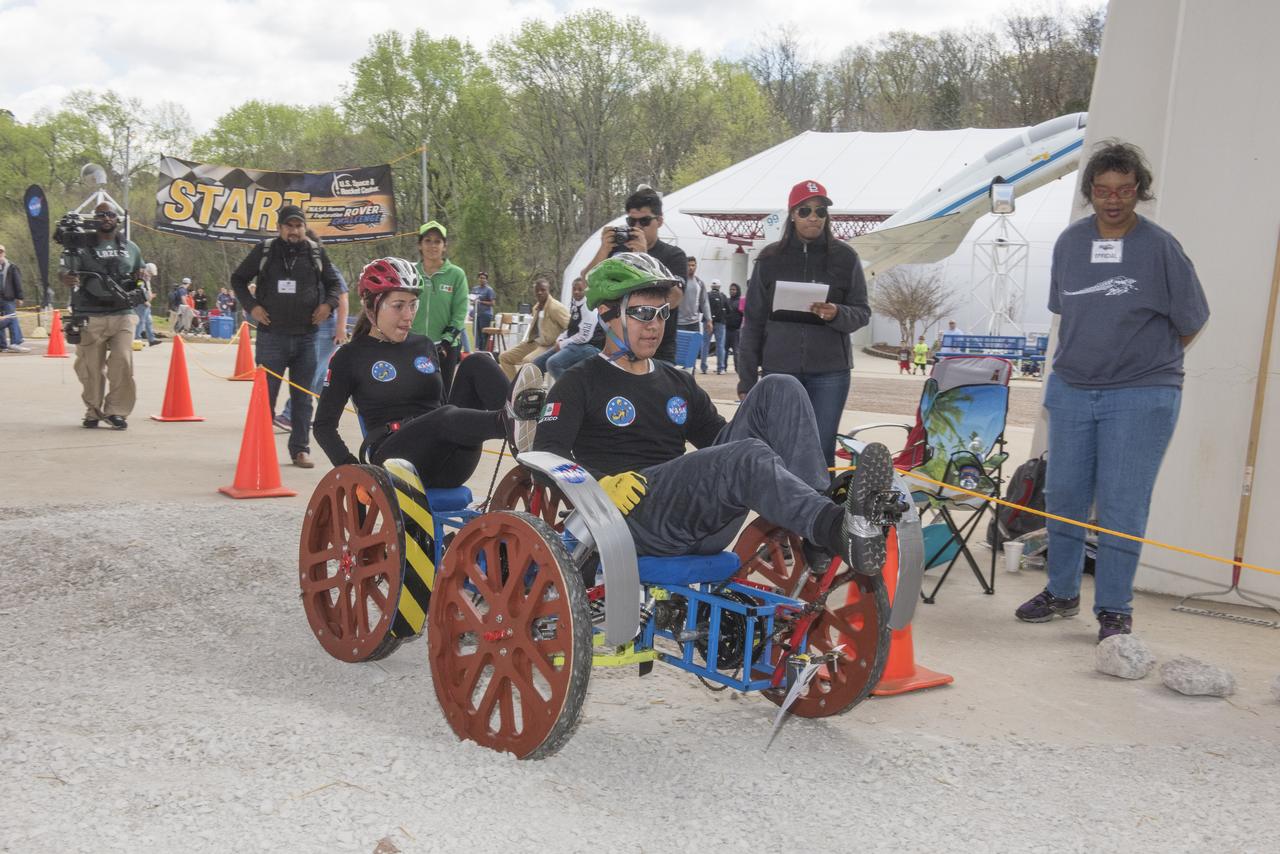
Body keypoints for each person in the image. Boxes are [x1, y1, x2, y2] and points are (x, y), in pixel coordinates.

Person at [533, 251, 895, 575]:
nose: (655, 325)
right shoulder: (579, 381)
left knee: (780, 386)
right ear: (607, 313)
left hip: (692, 512)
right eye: (642, 313)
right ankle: (833, 528)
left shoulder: (676, 381)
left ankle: (819, 522)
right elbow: (546, 457)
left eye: (661, 313)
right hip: (630, 520)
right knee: (747, 455)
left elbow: (720, 445)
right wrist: (597, 484)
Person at [1016, 141, 1209, 642]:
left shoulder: (1161, 246)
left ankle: (1114, 608)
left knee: (1123, 506)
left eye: (1124, 190)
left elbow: (1192, 320)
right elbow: (1068, 311)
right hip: (1073, 389)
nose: (1113, 200)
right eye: (1103, 190)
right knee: (1064, 500)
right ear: (1090, 194)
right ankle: (1061, 594)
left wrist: (1150, 365)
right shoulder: (1069, 243)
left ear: (1139, 192)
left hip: (1141, 395)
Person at [313, 258, 534, 486]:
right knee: (444, 415)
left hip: (450, 458)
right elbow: (323, 427)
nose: (409, 315)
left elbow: (441, 406)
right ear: (371, 306)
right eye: (398, 305)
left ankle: (528, 421)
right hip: (396, 460)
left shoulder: (424, 345)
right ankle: (509, 422)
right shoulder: (350, 356)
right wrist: (354, 470)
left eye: (413, 304)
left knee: (477, 362)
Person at [737, 179, 872, 469]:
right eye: (805, 210)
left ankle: (820, 513)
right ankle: (780, 513)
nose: (813, 216)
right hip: (780, 371)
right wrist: (747, 379)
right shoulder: (769, 258)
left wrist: (836, 313)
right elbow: (753, 322)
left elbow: (862, 312)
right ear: (792, 215)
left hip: (830, 374)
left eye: (820, 211)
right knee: (781, 448)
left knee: (821, 450)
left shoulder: (846, 258)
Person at [230, 204, 342, 468]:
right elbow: (238, 279)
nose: (294, 230)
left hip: (306, 338)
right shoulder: (265, 250)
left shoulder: (315, 252)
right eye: (289, 226)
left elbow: (334, 284)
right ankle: (259, 447)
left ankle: (300, 450)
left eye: (299, 225)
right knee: (264, 396)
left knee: (303, 398)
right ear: (279, 228)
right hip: (272, 337)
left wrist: (328, 305)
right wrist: (252, 306)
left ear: (304, 227)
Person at [60, 202, 145, 429]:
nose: (106, 218)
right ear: (94, 219)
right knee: (90, 367)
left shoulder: (131, 247)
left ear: (117, 219)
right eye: (101, 215)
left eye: (110, 214)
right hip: (90, 313)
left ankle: (117, 411)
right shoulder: (80, 245)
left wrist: (141, 286)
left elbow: (140, 273)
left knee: (123, 362)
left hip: (123, 313)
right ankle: (93, 410)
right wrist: (66, 277)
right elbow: (65, 271)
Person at [581, 185, 687, 363]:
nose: (637, 227)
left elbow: (675, 300)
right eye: (631, 222)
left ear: (659, 221)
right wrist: (604, 248)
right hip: (613, 348)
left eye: (644, 221)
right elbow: (586, 284)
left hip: (657, 353)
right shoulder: (617, 252)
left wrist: (644, 256)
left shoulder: (674, 255)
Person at [278, 230, 350, 432]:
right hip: (306, 329)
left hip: (325, 330)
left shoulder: (328, 269)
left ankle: (289, 415)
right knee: (319, 381)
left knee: (308, 375)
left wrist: (340, 328)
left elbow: (342, 298)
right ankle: (326, 415)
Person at [412, 221, 469, 394]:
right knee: (413, 392)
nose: (432, 245)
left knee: (441, 394)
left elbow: (460, 313)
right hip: (414, 344)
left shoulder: (456, 274)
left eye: (437, 241)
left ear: (444, 246)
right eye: (427, 240)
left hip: (445, 347)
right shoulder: (411, 272)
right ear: (420, 245)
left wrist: (445, 342)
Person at [532, 276, 604, 381]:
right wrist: (560, 339)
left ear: (586, 290)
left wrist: (563, 344)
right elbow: (571, 329)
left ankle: (570, 392)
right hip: (575, 344)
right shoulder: (575, 305)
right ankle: (537, 394)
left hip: (590, 346)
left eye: (580, 289)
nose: (576, 292)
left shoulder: (589, 308)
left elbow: (584, 337)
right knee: (537, 363)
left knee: (553, 363)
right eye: (574, 289)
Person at [498, 276, 569, 379]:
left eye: (543, 290)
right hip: (533, 342)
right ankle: (515, 388)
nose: (539, 292)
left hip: (549, 345)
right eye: (537, 290)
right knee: (504, 357)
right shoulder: (536, 307)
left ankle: (531, 392)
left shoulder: (555, 307)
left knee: (528, 361)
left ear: (548, 291)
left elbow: (570, 326)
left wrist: (561, 342)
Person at [679, 256, 713, 373]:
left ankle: (690, 382)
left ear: (696, 266)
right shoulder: (679, 282)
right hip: (678, 324)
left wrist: (709, 320)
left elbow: (705, 302)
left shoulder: (699, 283)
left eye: (693, 265)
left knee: (692, 357)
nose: (691, 268)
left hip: (693, 324)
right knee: (677, 357)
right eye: (688, 265)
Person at [0, 243, 30, 353]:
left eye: (1, 252)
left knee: (11, 319)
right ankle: (2, 345)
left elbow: (17, 282)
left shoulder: (12, 267)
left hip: (8, 299)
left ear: (4, 253)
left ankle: (15, 342)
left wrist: (20, 297)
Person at [134, 262, 159, 346]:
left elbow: (146, 291)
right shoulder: (140, 280)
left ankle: (151, 339)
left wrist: (150, 296)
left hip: (146, 304)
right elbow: (139, 292)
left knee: (149, 322)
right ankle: (137, 340)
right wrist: (145, 301)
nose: (151, 275)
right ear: (146, 271)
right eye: (150, 273)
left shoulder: (147, 280)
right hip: (141, 304)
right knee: (140, 322)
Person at [706, 279, 728, 374]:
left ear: (711, 286)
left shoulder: (707, 295)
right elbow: (729, 309)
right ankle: (721, 368)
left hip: (707, 321)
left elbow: (701, 308)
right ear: (719, 286)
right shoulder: (723, 296)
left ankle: (703, 368)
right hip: (720, 322)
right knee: (720, 345)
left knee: (705, 344)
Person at [471, 271, 496, 351]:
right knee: (475, 332)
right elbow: (472, 300)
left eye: (484, 278)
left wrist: (480, 302)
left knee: (483, 334)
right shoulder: (475, 289)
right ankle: (477, 349)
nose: (482, 279)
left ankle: (483, 351)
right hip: (476, 314)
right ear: (478, 279)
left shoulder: (489, 290)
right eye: (480, 278)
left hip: (485, 314)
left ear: (486, 280)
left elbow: (492, 303)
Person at [723, 282, 743, 372]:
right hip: (726, 329)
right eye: (731, 289)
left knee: (736, 351)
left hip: (736, 330)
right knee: (725, 350)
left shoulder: (740, 302)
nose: (732, 291)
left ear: (738, 290)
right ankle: (724, 367)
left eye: (734, 289)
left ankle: (738, 369)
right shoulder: (727, 300)